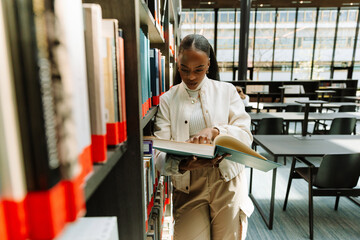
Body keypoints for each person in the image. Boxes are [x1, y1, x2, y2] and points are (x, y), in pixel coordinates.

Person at [154, 34, 254, 240]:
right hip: (188, 183)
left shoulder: (227, 92)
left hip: (226, 179)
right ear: (177, 64)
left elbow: (245, 136)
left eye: (198, 69)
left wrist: (216, 131)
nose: (191, 77)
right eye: (184, 69)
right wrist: (182, 166)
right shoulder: (167, 99)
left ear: (209, 64)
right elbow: (157, 155)